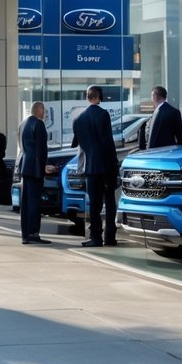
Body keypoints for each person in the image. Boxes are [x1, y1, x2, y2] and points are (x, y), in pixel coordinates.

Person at [71, 85, 120, 247]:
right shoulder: (103, 115)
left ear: (87, 97)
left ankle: (95, 237)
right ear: (99, 96)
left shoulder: (79, 119)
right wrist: (114, 165)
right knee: (110, 202)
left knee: (94, 204)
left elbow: (75, 143)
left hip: (90, 167)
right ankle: (110, 236)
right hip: (105, 166)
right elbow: (107, 142)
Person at [17, 101, 51, 245]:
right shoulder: (39, 124)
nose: (45, 114)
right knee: (35, 202)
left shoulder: (22, 124)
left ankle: (25, 234)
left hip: (25, 166)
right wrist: (44, 167)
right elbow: (42, 149)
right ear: (40, 111)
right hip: (35, 168)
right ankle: (33, 233)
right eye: (44, 111)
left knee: (25, 202)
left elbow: (22, 146)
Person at [137, 86, 182, 150]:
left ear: (155, 97)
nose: (151, 98)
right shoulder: (173, 111)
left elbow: (179, 136)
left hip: (163, 152)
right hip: (165, 151)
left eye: (151, 95)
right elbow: (180, 136)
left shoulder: (172, 112)